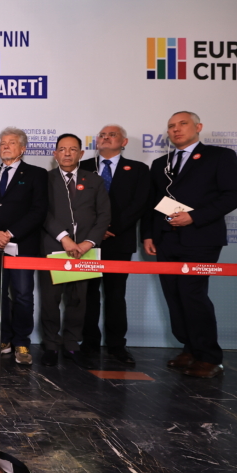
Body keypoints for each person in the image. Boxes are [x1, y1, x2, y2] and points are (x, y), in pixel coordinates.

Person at [142, 111, 237, 378]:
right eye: (171, 126)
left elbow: (235, 195)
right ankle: (189, 348)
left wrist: (195, 217)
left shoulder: (219, 156)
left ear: (198, 127)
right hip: (166, 239)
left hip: (201, 238)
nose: (176, 129)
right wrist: (148, 235)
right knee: (173, 295)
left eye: (183, 124)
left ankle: (209, 357)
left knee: (192, 294)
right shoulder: (160, 163)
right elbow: (152, 202)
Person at [0, 128, 48, 365]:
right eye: (2, 143)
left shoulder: (36, 174)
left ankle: (22, 341)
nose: (5, 146)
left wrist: (9, 234)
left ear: (22, 148)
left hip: (22, 246)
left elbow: (39, 211)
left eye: (12, 143)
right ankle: (3, 339)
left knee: (23, 295)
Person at [79, 125, 151, 365]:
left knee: (116, 295)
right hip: (86, 241)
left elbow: (140, 203)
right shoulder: (82, 167)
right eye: (102, 135)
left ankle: (117, 345)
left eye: (112, 135)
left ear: (124, 142)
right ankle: (88, 343)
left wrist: (112, 228)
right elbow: (75, 204)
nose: (105, 138)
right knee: (87, 295)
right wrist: (95, 230)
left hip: (119, 240)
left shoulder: (138, 169)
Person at [39, 134, 110, 369]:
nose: (67, 153)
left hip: (85, 251)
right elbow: (42, 212)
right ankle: (50, 344)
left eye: (72, 149)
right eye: (62, 149)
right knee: (50, 300)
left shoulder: (94, 180)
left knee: (78, 300)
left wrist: (88, 243)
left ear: (81, 153)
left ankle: (71, 344)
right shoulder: (45, 179)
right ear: (55, 154)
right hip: (54, 248)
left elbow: (104, 215)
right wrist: (65, 239)